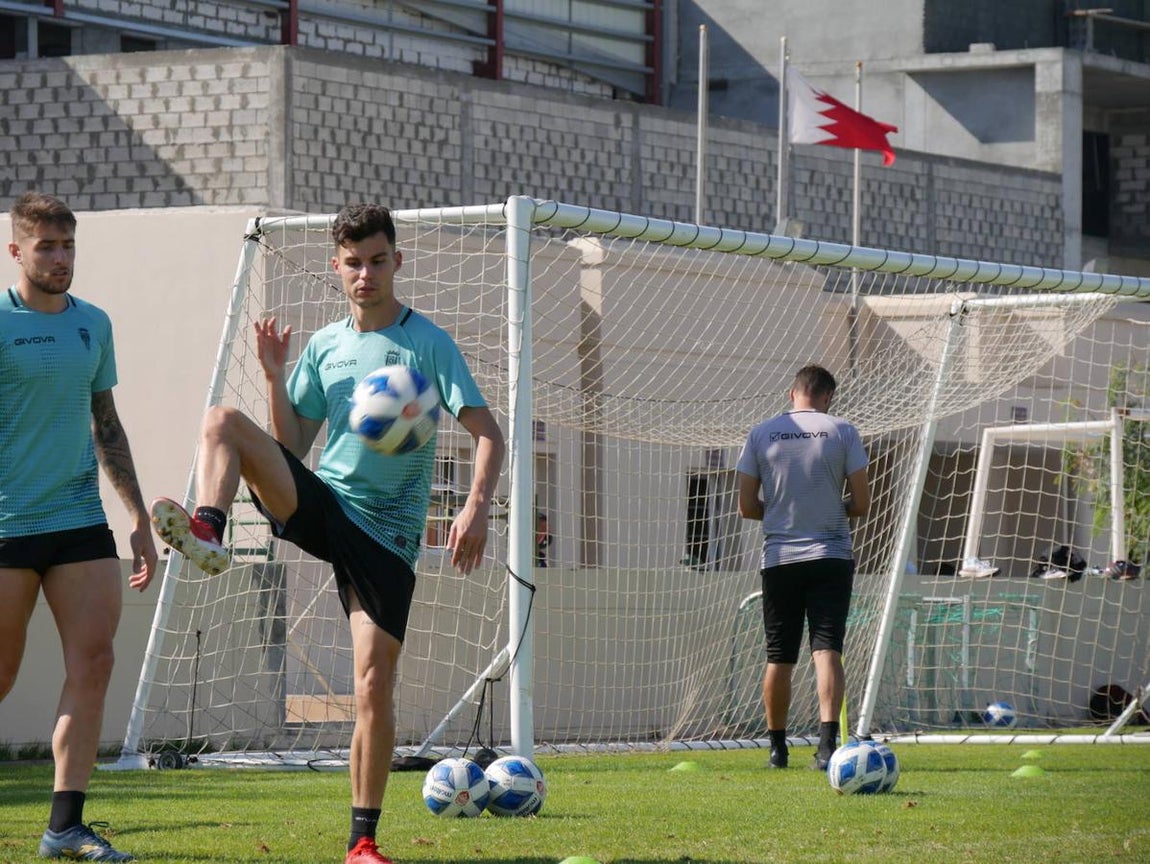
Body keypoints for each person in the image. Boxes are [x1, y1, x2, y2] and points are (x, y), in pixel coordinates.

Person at [149, 203, 504, 864]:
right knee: (224, 420)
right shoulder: (325, 346)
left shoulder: (428, 343)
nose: (365, 273)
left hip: (387, 540)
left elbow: (489, 433)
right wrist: (277, 378)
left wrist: (475, 506)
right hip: (327, 504)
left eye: (376, 260)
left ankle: (362, 843)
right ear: (335, 267)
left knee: (372, 685)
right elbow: (289, 446)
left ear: (396, 261)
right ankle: (209, 530)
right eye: (352, 262)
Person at [1, 192, 158, 861]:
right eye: (47, 247)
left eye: (69, 246)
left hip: (78, 520)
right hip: (5, 525)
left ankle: (64, 826)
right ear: (17, 250)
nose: (61, 259)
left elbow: (107, 424)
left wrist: (138, 517)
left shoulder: (93, 323)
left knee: (93, 663)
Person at [735, 364, 870, 771]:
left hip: (780, 559)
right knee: (827, 650)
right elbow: (862, 505)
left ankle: (777, 750)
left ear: (792, 392)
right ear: (827, 397)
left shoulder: (761, 433)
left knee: (779, 656)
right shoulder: (843, 431)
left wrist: (783, 515)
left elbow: (746, 506)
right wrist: (829, 509)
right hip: (831, 556)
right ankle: (828, 748)